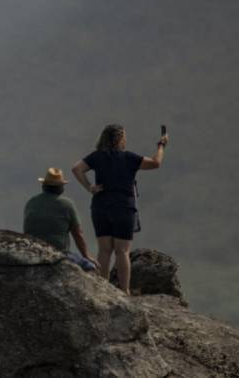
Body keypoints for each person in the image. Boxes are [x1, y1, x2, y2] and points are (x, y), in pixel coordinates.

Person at [71, 123, 169, 293]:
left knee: (104, 250)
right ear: (120, 139)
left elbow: (76, 169)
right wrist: (161, 145)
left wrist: (89, 187)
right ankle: (124, 291)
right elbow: (156, 163)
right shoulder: (128, 158)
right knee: (122, 251)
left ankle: (102, 290)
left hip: (101, 206)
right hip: (124, 208)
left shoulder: (97, 157)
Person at [23, 168, 98, 272]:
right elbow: (78, 234)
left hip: (32, 250)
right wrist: (86, 256)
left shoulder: (31, 202)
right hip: (58, 253)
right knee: (90, 267)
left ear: (44, 186)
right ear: (60, 188)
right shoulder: (66, 204)